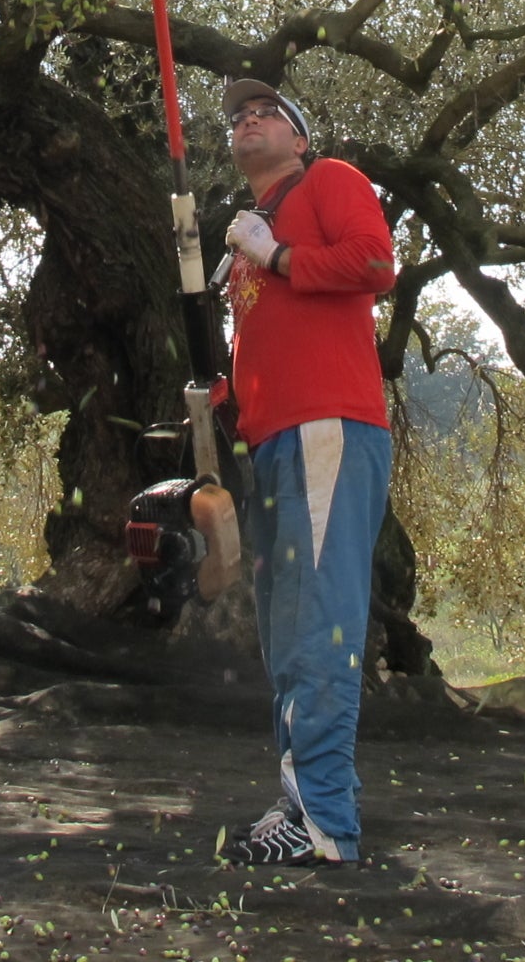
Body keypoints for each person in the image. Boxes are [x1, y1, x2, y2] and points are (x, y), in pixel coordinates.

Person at [214, 75, 397, 868]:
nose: (248, 121)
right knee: (287, 632)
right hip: (271, 441)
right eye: (238, 117)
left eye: (267, 113)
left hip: (329, 424)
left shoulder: (330, 181)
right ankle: (300, 802)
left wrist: (280, 254)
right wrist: (218, 395)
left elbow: (373, 263)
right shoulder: (247, 235)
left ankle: (326, 820)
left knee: (321, 620)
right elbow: (263, 345)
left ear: (298, 138)